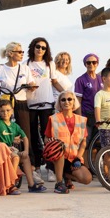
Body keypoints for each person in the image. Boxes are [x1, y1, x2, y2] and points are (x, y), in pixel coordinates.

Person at [25, 37, 66, 180]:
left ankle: (50, 168)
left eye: (43, 47)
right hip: (31, 104)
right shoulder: (26, 64)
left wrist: (65, 93)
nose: (40, 50)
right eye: (38, 46)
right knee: (33, 137)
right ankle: (36, 166)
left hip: (47, 104)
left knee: (47, 136)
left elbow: (54, 82)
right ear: (33, 47)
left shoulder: (49, 64)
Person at [0, 42, 37, 168]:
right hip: (6, 103)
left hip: (21, 102)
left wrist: (32, 86)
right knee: (4, 131)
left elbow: (31, 82)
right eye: (19, 52)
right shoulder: (1, 68)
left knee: (24, 132)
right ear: (10, 53)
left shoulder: (24, 68)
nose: (22, 54)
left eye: (22, 52)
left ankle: (29, 162)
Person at [0, 99, 42, 192]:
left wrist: (26, 150)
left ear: (12, 111)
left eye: (8, 110)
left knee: (25, 157)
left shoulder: (15, 126)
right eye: (2, 111)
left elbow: (25, 138)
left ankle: (31, 185)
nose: (5, 113)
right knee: (16, 157)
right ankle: (11, 185)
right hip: (1, 149)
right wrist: (3, 146)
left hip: (11, 149)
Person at [46, 92, 93, 192]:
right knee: (58, 148)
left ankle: (66, 177)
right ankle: (59, 183)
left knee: (87, 178)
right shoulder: (53, 119)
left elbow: (83, 143)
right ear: (59, 103)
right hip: (57, 157)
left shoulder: (81, 120)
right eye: (63, 100)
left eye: (69, 99)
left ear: (74, 101)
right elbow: (46, 138)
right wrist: (50, 142)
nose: (66, 102)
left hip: (73, 158)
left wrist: (78, 158)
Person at [74, 54, 103, 138]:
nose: (91, 64)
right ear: (85, 64)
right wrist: (80, 119)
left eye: (94, 62)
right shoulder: (80, 80)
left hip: (100, 115)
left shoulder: (101, 78)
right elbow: (78, 101)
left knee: (98, 143)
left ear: (97, 64)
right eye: (88, 62)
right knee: (85, 142)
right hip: (86, 115)